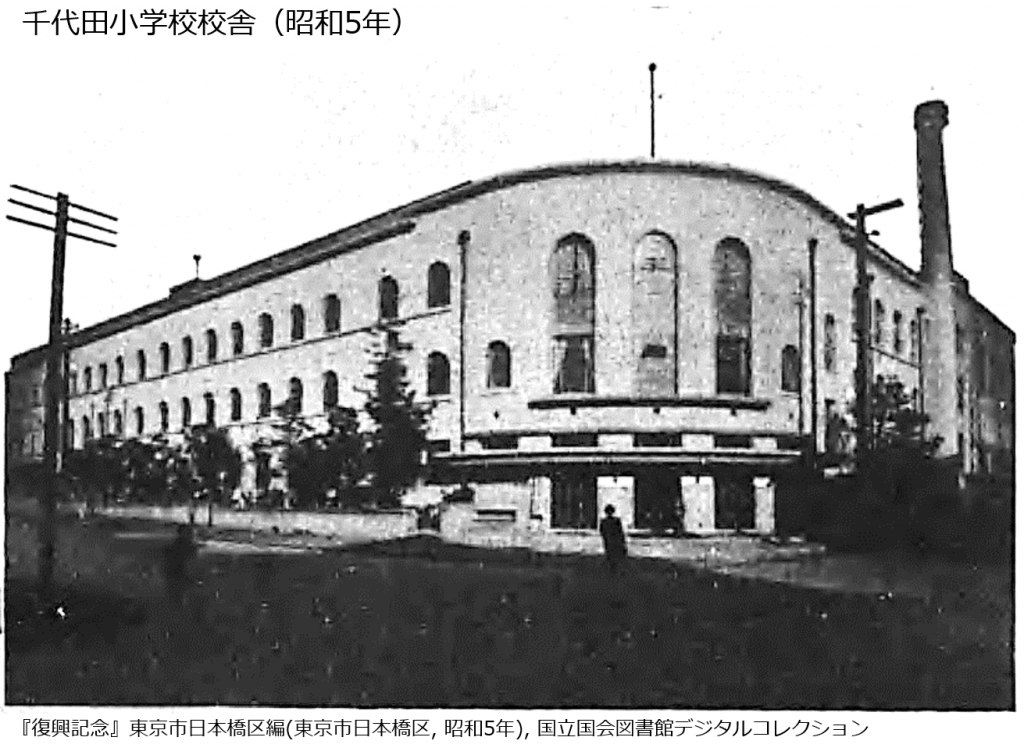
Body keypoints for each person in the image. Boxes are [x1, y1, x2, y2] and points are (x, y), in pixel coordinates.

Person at [599, 505, 628, 575]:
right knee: (612, 555)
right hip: (611, 540)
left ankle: (614, 568)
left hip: (613, 540)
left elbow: (620, 531)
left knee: (613, 554)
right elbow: (602, 531)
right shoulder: (608, 521)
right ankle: (613, 568)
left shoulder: (611, 521)